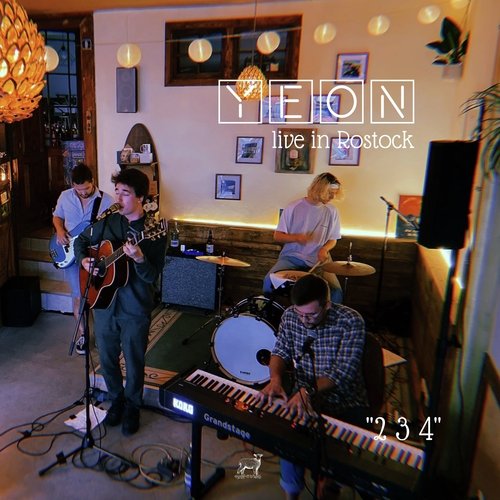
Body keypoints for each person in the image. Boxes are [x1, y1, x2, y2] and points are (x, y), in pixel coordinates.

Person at [74, 168, 167, 436]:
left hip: (135, 305)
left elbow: (151, 276)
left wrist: (139, 258)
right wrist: (84, 260)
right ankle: (116, 399)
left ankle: (133, 405)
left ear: (141, 198)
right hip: (104, 302)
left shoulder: (153, 231)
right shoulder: (108, 220)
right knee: (106, 355)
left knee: (134, 359)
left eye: (125, 193)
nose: (118, 198)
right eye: (116, 191)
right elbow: (82, 241)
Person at [259, 274, 369, 500]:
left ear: (327, 305)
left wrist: (307, 391)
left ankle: (330, 483)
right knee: (290, 445)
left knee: (333, 468)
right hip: (302, 397)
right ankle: (292, 492)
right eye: (300, 313)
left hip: (345, 401)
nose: (304, 320)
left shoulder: (351, 321)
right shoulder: (291, 316)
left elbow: (343, 372)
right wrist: (275, 379)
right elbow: (280, 352)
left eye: (311, 315)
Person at [52, 163, 114, 354]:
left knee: (100, 295)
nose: (83, 193)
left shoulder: (107, 201)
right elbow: (57, 216)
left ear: (92, 181)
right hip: (71, 255)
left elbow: (112, 228)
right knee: (78, 296)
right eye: (78, 190)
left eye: (86, 188)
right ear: (72, 185)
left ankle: (103, 335)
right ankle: (83, 335)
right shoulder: (65, 196)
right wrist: (59, 230)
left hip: (95, 254)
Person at [263, 172, 344, 303]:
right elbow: (278, 236)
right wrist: (296, 238)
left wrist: (324, 249)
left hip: (319, 260)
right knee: (269, 281)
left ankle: (326, 316)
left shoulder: (332, 211)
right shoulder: (293, 207)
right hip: (292, 258)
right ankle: (272, 312)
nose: (333, 197)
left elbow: (333, 239)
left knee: (335, 292)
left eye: (335, 193)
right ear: (319, 189)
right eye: (330, 192)